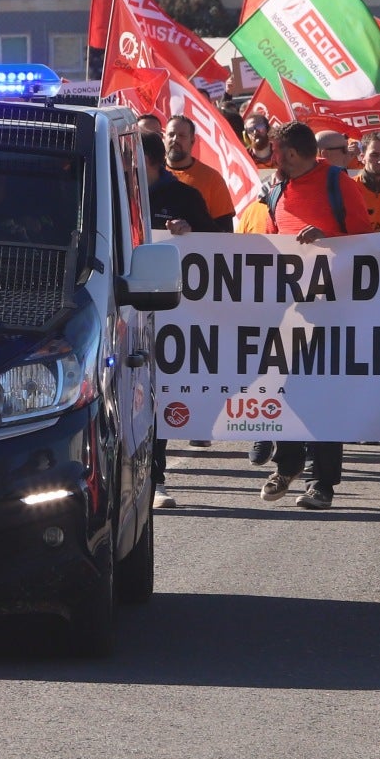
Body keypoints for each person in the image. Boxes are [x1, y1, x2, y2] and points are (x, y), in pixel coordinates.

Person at [238, 122, 380, 509]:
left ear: (290, 153)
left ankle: (323, 483)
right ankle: (287, 466)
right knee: (284, 387)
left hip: (333, 307)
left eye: (277, 152)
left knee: (323, 393)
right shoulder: (277, 190)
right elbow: (272, 241)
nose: (272, 158)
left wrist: (326, 238)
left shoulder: (339, 184)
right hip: (288, 308)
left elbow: (364, 241)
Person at [141, 132, 208, 509]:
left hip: (175, 315)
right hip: (123, 309)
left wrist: (190, 235)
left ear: (147, 161)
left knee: (157, 395)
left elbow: (221, 246)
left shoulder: (185, 197)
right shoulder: (114, 192)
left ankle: (155, 480)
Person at [163, 114, 237, 231]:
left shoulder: (212, 178)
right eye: (171, 134)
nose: (175, 139)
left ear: (192, 141)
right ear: (164, 138)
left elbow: (225, 232)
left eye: (182, 136)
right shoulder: (152, 175)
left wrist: (192, 230)